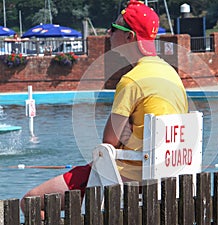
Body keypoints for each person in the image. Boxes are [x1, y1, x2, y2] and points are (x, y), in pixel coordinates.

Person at [20, 0, 188, 216]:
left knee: (30, 202)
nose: (109, 32)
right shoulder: (170, 73)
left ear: (130, 37)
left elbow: (109, 142)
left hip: (127, 175)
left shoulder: (132, 80)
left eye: (115, 27)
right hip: (167, 175)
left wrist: (120, 131)